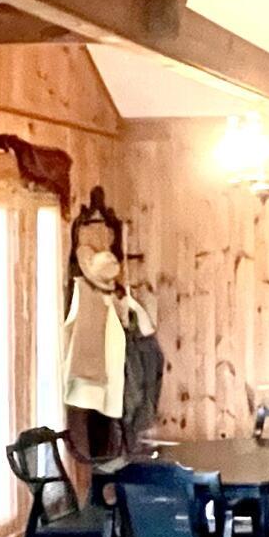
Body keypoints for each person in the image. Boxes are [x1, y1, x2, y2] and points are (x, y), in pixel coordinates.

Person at [60, 193, 158, 470]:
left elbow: (144, 332)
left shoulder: (116, 297)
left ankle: (111, 473)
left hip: (107, 379)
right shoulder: (82, 292)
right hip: (87, 379)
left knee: (109, 429)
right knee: (94, 430)